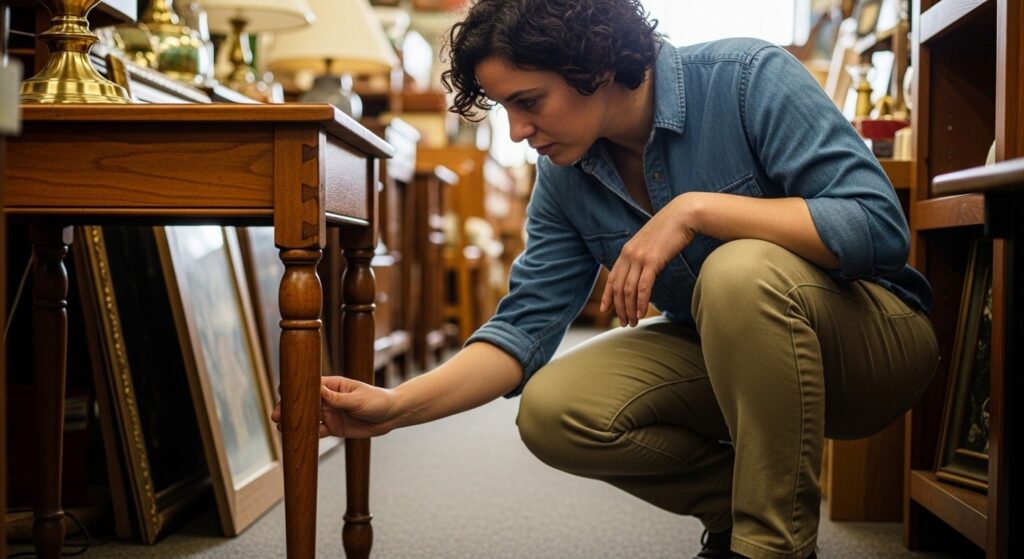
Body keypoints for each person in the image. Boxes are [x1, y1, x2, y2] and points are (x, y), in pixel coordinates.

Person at [272, 1, 938, 558]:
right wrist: (395, 408)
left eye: (528, 102)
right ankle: (748, 499)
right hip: (733, 357)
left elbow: (878, 227)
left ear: (592, 64)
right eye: (505, 108)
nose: (518, 131)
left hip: (873, 345)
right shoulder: (565, 176)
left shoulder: (745, 76)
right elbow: (522, 330)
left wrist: (696, 210)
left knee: (740, 265)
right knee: (555, 407)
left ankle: (771, 546)